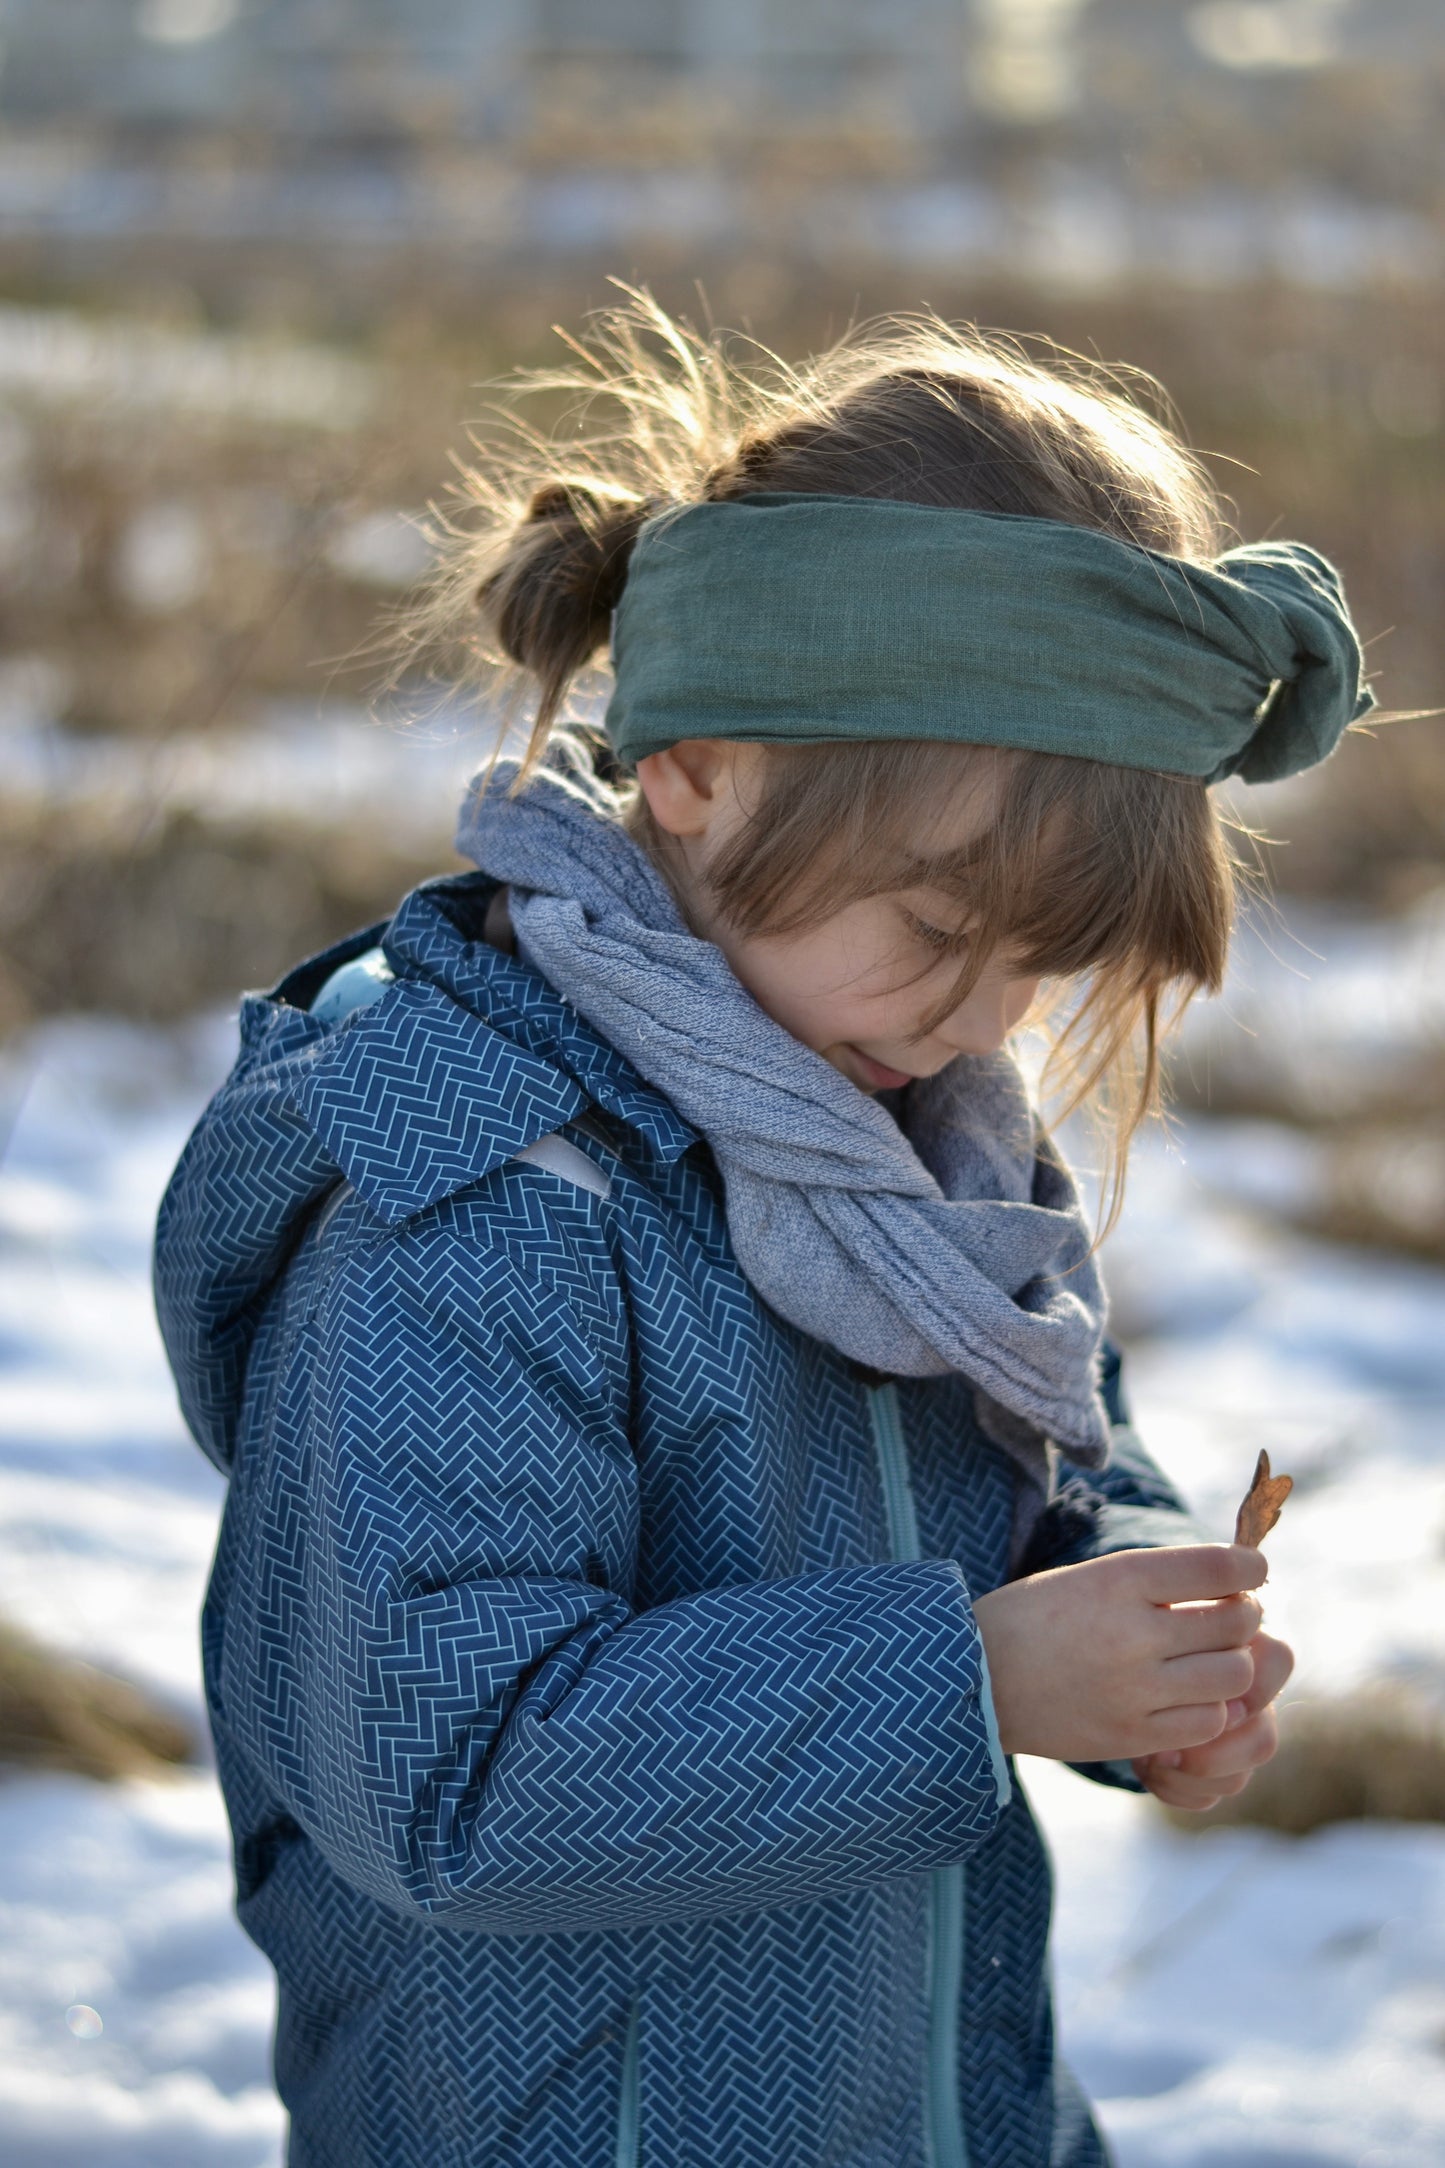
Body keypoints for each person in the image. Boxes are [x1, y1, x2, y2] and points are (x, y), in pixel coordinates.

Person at [154, 300, 1373, 2167]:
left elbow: (1032, 1428)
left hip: (933, 2100)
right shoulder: (480, 1198)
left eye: (1043, 968)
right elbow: (445, 1770)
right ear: (698, 772)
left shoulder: (903, 1123)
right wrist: (972, 1680)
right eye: (942, 931)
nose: (985, 1021)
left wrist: (1120, 1611)